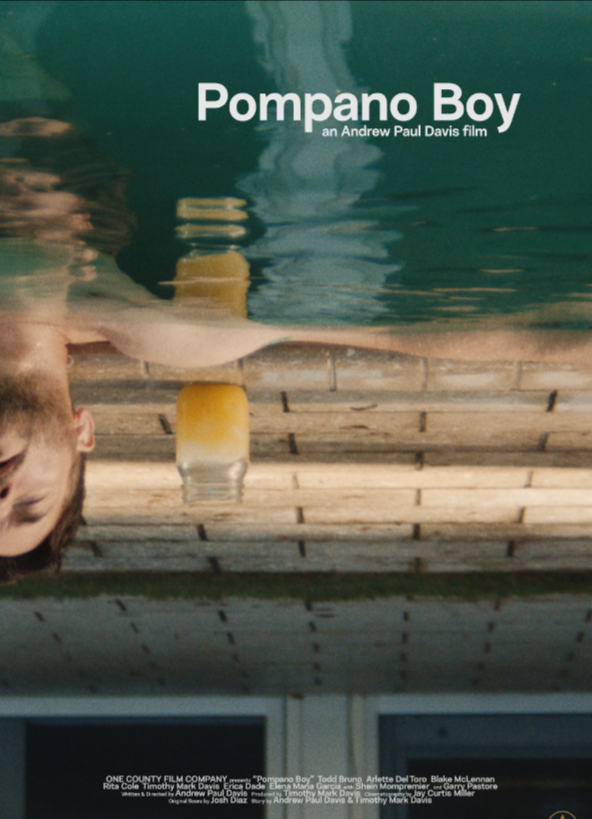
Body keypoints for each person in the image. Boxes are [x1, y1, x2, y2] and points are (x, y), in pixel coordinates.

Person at [2, 117, 592, 579]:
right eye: (28, 507)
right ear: (83, 435)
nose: (3, 494)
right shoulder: (170, 331)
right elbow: (398, 331)